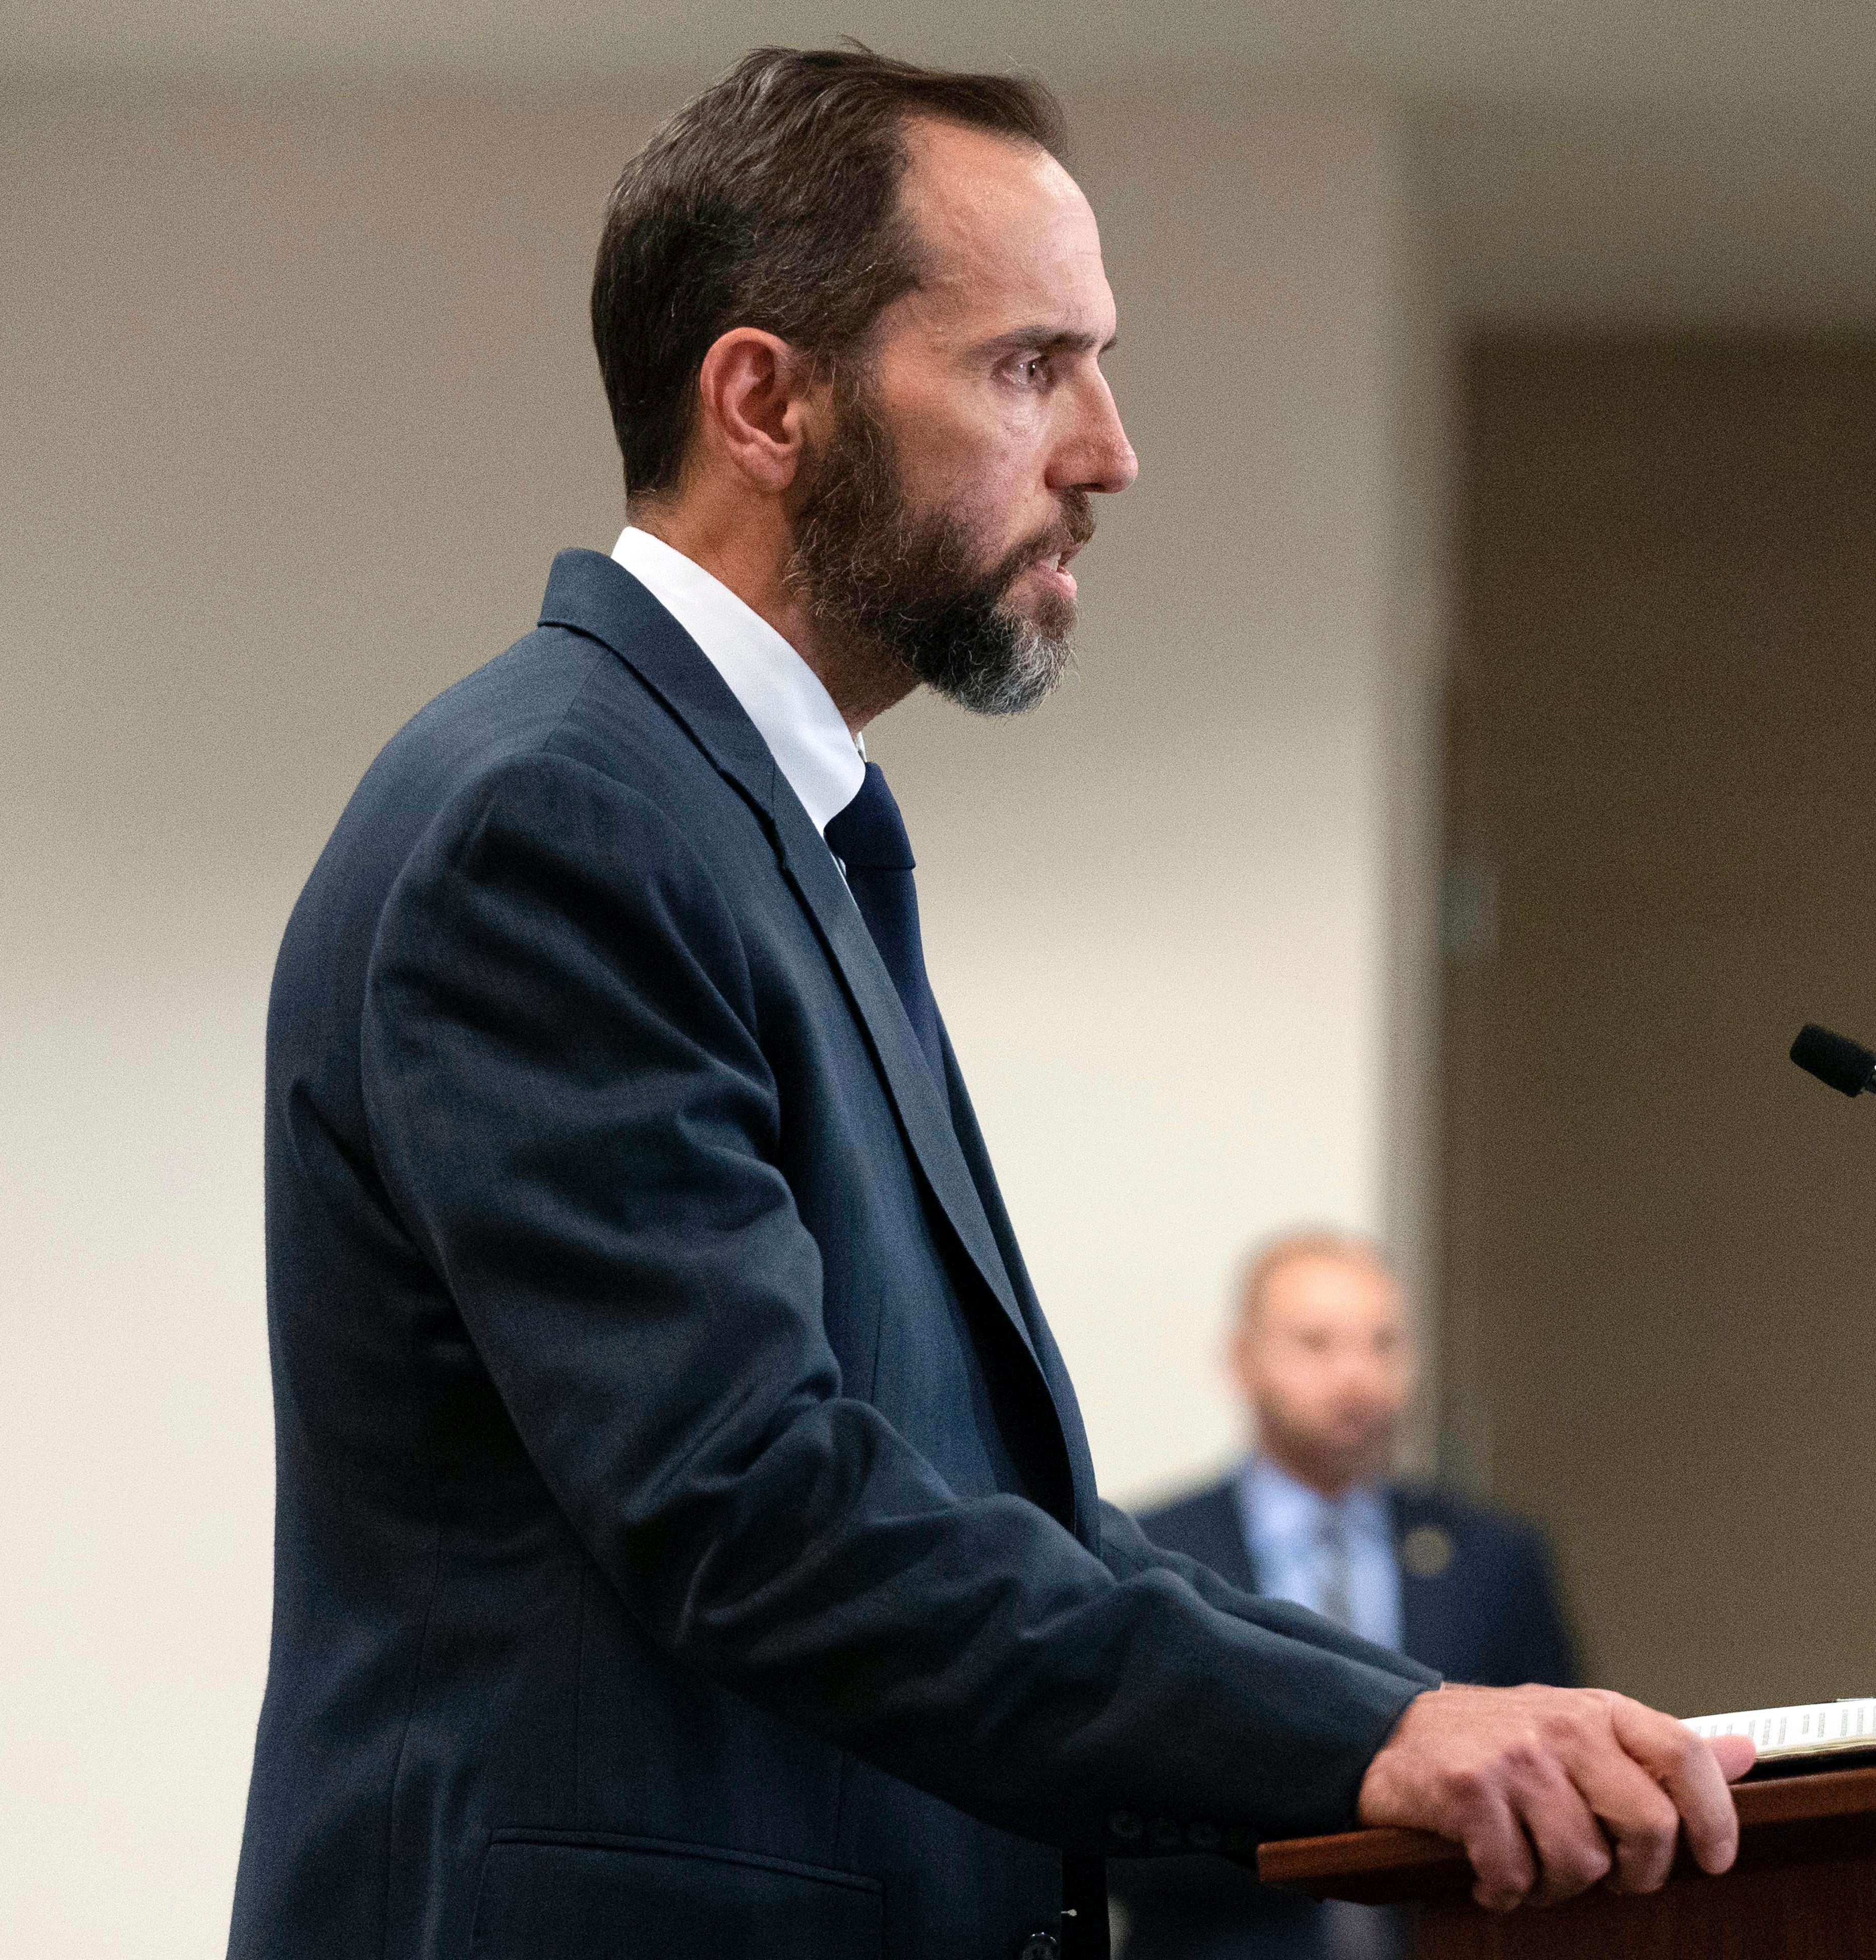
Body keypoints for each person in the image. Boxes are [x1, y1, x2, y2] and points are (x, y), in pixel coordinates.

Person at [225, 47, 1750, 1960]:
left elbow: (989, 1514)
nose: (1109, 449)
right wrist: (1380, 1725)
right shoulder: (558, 818)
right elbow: (758, 1505)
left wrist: (1425, 1717)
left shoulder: (769, 820)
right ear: (766, 401)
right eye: (1033, 365)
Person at [1119, 1233, 1582, 1960]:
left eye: (1383, 1343)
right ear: (1242, 1359)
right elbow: (1118, 1800)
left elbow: (1557, 1776)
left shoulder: (1493, 1556)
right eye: (1316, 1343)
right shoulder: (1152, 1554)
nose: (1356, 1375)